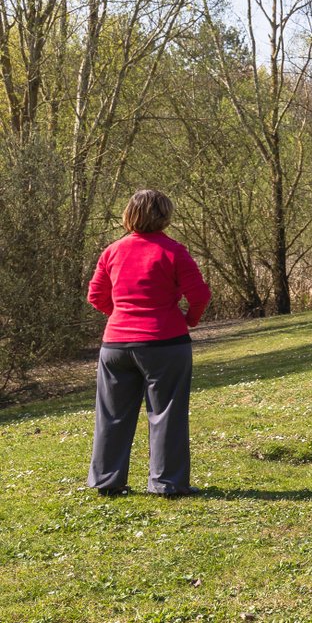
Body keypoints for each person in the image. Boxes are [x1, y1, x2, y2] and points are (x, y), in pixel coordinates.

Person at [86, 190, 212, 497]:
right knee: (166, 412)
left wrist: (118, 316)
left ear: (129, 214)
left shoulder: (112, 251)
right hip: (164, 343)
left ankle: (107, 481)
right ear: (165, 216)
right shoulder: (173, 251)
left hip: (116, 345)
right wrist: (189, 319)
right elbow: (200, 295)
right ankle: (167, 483)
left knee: (112, 414)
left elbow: (96, 296)